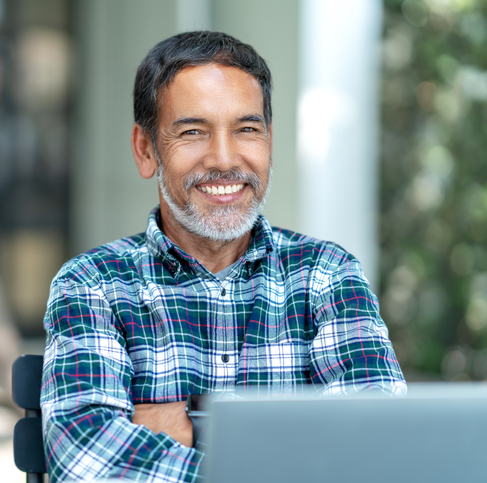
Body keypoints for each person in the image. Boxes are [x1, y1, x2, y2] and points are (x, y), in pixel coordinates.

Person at [40, 30, 406, 482]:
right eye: (193, 131)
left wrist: (189, 425)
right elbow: (88, 460)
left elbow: (378, 451)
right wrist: (291, 457)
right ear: (146, 150)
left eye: (246, 129)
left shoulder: (327, 276)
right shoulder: (92, 284)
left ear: (269, 142)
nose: (224, 158)